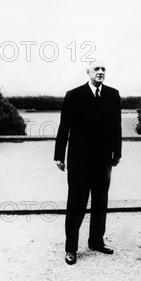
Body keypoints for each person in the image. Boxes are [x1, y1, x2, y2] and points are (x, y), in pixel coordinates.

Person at [54, 62, 122, 265]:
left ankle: (96, 241)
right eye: (96, 69)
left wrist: (117, 153)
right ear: (88, 73)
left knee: (101, 202)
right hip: (79, 161)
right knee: (76, 204)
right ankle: (71, 249)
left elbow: (116, 127)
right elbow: (64, 127)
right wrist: (59, 155)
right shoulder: (73, 95)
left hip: (103, 161)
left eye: (104, 69)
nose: (101, 72)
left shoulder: (112, 94)